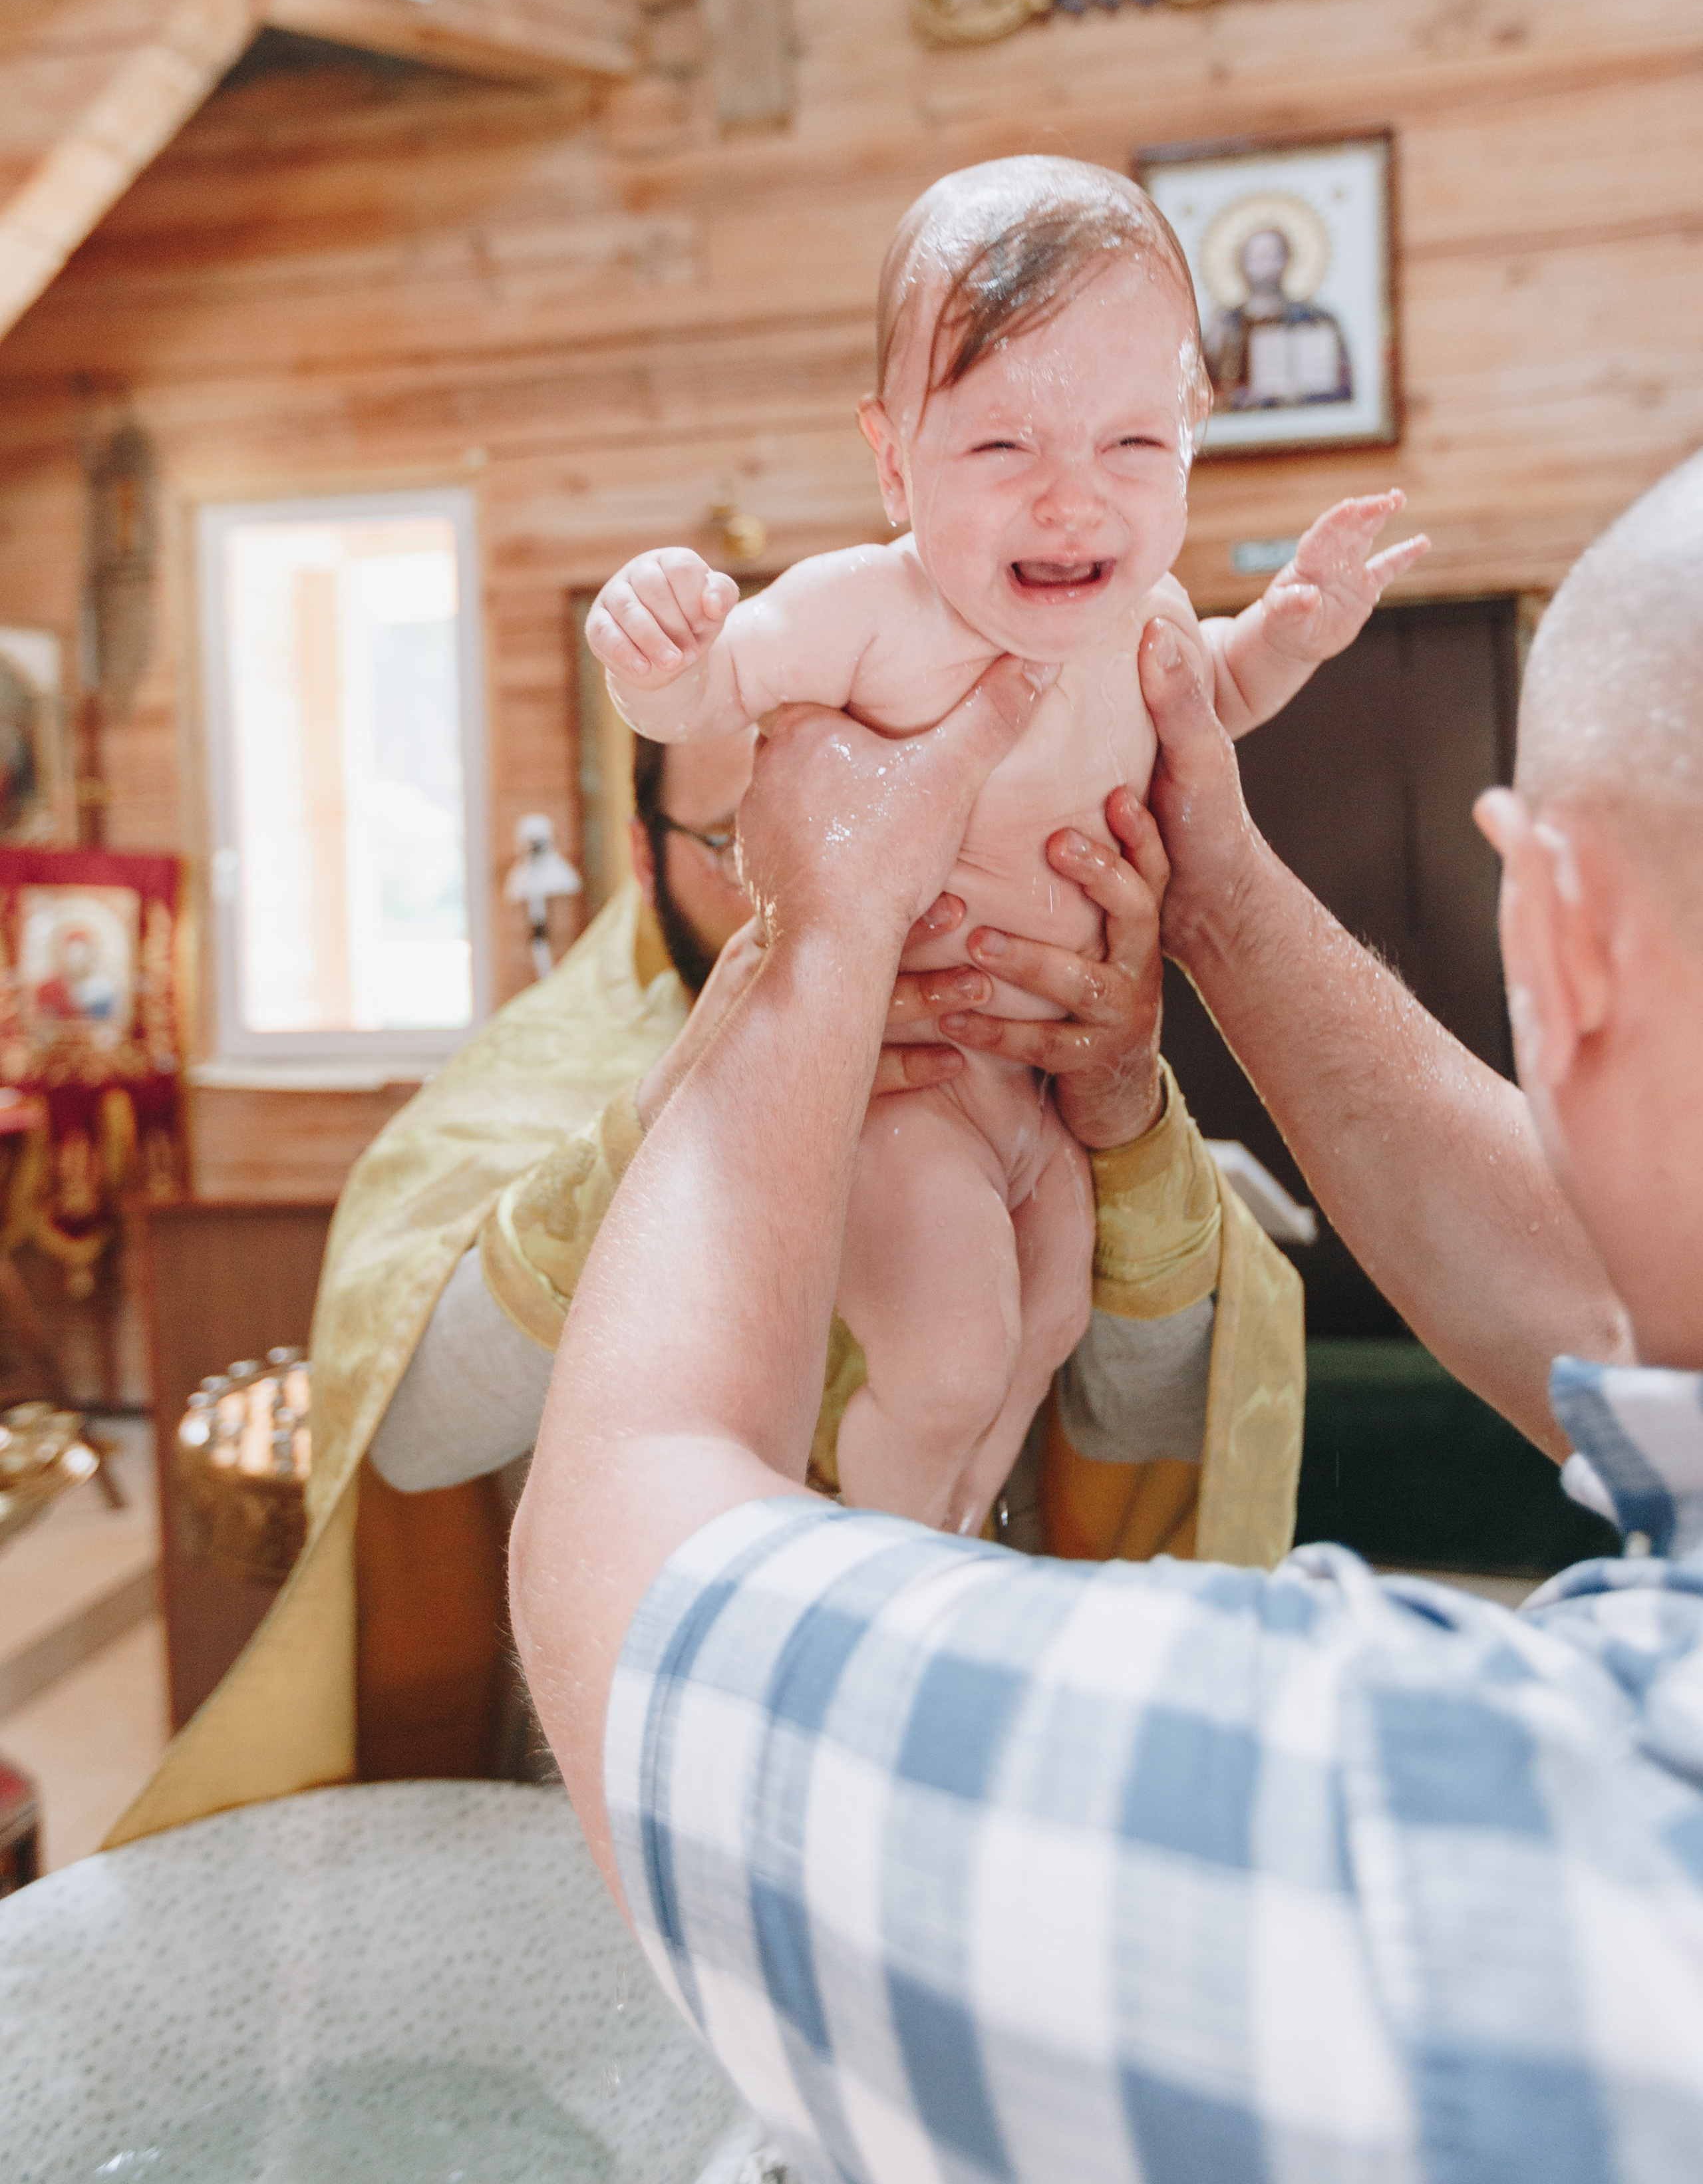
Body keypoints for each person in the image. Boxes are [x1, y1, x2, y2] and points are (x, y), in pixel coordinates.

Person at [512, 462, 1703, 2181]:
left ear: (1551, 938)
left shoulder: (1430, 1833)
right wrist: (1198, 889)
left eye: (1134, 438)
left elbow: (631, 1550)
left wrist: (833, 927)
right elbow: (1607, 1299)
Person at [108, 718, 1305, 1845]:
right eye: (741, 843)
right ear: (641, 853)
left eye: (870, 824)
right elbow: (413, 1436)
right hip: (654, 1738)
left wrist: (1125, 1119)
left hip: (972, 1714)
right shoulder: (553, 1070)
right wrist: (687, 1105)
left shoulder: (1016, 1031)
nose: (818, 884)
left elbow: (1154, 1426)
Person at [590, 156, 1421, 1531]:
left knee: (1039, 1330)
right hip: (900, 1092)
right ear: (890, 458)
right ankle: (889, 1564)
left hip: (1042, 1095)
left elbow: (1212, 693)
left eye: (1130, 445)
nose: (1069, 499)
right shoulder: (866, 608)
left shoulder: (1143, 619)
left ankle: (962, 1539)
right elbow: (705, 693)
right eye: (1000, 446)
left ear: (1192, 437)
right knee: (948, 1353)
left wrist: (1290, 630)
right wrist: (655, 650)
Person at [1203, 222, 1354, 410]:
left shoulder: (1316, 319)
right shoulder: (1226, 324)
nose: (1266, 265)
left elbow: (1342, 388)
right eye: (1256, 257)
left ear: (1288, 260)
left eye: (1274, 256)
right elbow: (1205, 391)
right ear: (1241, 264)